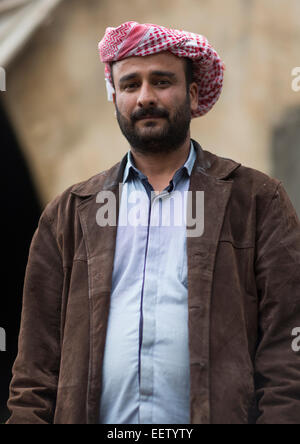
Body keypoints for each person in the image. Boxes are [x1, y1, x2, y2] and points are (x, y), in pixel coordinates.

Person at [6, 21, 300, 425]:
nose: (145, 97)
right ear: (115, 99)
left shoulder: (256, 201)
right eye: (130, 85)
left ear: (193, 93)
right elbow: (35, 367)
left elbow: (287, 348)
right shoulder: (69, 214)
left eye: (162, 81)